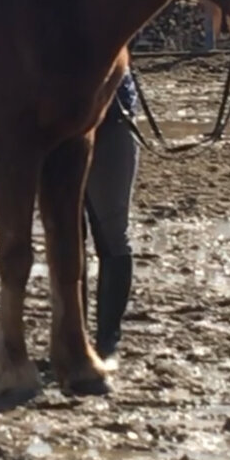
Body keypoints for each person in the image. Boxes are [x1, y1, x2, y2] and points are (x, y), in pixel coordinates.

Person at [85, 72, 139, 358]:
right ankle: (75, 335)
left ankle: (107, 338)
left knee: (112, 232)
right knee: (68, 237)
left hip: (113, 118)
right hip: (57, 123)